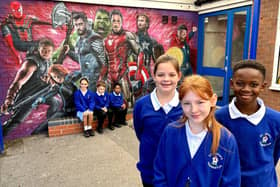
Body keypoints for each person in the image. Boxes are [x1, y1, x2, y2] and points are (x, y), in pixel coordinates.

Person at [154, 75, 241, 187]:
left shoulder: (226, 140)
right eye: (187, 103)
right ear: (180, 103)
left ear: (213, 100)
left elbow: (231, 182)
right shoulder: (170, 132)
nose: (194, 110)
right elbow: (160, 172)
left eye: (200, 102)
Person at [215, 60, 280, 187]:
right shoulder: (219, 117)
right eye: (240, 83)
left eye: (253, 84)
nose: (246, 89)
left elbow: (275, 154)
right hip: (228, 183)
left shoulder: (276, 120)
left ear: (263, 86)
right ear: (232, 84)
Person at [133, 54, 183, 187]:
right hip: (150, 172)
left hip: (179, 172)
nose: (166, 79)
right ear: (154, 76)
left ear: (179, 76)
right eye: (161, 75)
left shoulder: (186, 105)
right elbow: (140, 132)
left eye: (172, 75)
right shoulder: (141, 105)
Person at [0, 38, 60, 136]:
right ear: (39, 49)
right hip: (27, 98)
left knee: (55, 102)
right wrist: (9, 100)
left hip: (39, 95)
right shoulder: (31, 63)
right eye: (43, 50)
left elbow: (49, 73)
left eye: (49, 51)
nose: (46, 53)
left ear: (52, 52)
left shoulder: (48, 61)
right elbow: (18, 83)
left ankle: (47, 125)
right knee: (15, 122)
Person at [101, 9, 143, 102]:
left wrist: (138, 71)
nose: (116, 24)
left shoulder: (127, 36)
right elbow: (105, 62)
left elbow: (140, 53)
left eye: (118, 21)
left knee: (126, 102)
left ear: (121, 22)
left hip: (122, 74)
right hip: (109, 76)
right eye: (113, 21)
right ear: (110, 22)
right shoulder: (106, 40)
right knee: (106, 103)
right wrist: (101, 78)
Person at [0, 1, 51, 65]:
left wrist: (53, 24)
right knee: (4, 27)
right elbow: (2, 25)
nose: (18, 12)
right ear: (13, 11)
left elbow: (42, 21)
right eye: (15, 10)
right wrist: (5, 21)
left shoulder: (29, 18)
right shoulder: (11, 19)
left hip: (29, 44)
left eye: (19, 9)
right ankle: (17, 55)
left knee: (45, 43)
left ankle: (42, 61)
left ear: (21, 9)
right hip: (18, 44)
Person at [65, 12, 105, 91]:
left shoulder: (95, 38)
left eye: (80, 24)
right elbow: (81, 59)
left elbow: (103, 62)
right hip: (86, 80)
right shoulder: (79, 41)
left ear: (86, 23)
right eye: (76, 25)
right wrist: (69, 52)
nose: (78, 27)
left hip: (96, 82)